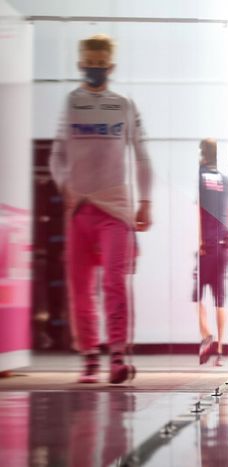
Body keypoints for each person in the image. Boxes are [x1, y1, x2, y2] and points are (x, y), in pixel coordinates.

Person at [49, 34, 152, 384]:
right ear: (81, 64)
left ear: (110, 66)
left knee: (114, 283)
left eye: (100, 64)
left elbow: (141, 156)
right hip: (79, 209)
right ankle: (91, 355)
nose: (94, 69)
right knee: (80, 286)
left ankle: (119, 354)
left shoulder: (122, 104)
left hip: (117, 210)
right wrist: (66, 186)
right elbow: (57, 155)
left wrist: (146, 203)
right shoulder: (72, 102)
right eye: (88, 64)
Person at [195, 139, 228, 366]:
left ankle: (207, 335)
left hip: (205, 243)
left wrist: (199, 239)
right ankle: (220, 345)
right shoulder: (224, 179)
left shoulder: (199, 176)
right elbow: (226, 210)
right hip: (222, 240)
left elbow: (198, 209)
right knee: (219, 297)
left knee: (198, 295)